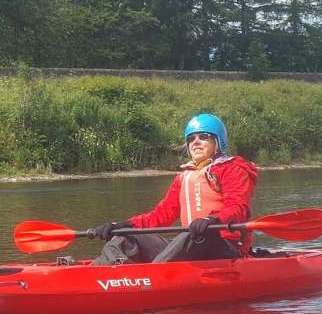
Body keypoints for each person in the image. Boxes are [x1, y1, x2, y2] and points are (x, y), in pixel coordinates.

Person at [90, 113, 259, 265]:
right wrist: (123, 224)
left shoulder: (233, 168)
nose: (196, 142)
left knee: (195, 235)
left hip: (223, 247)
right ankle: (104, 274)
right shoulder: (184, 176)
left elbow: (238, 208)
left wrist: (212, 220)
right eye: (191, 139)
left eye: (203, 137)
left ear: (218, 142)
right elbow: (160, 216)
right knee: (127, 234)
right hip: (191, 242)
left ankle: (150, 279)